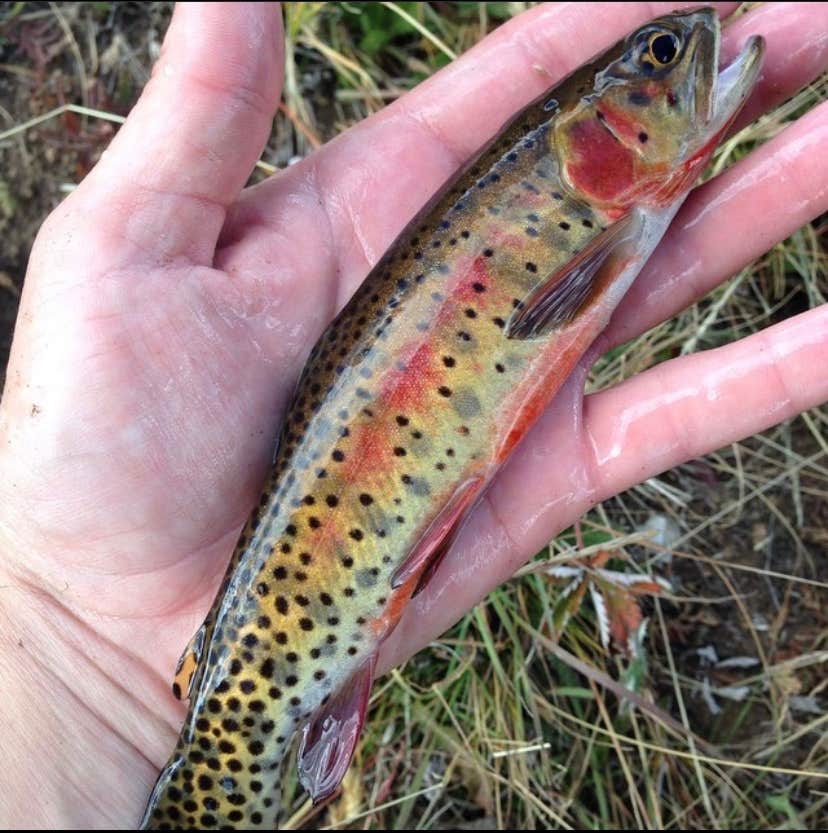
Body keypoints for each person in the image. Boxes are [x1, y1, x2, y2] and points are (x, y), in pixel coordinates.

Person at [0, 2, 826, 826]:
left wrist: (63, 676)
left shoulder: (592, 207)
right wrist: (62, 662)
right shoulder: (592, 211)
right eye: (660, 55)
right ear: (589, 135)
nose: (682, 55)